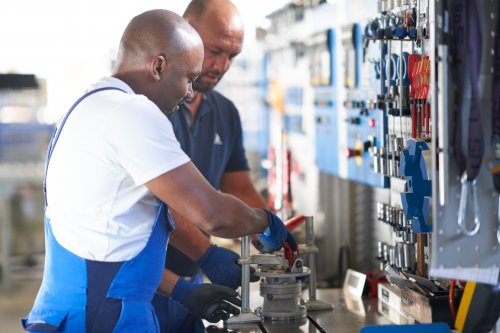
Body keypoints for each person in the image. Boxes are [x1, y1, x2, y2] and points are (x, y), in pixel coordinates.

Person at [21, 9, 294, 333]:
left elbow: (116, 240)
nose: (190, 92)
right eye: (188, 78)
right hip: (102, 318)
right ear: (159, 66)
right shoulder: (133, 112)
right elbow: (213, 213)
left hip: (80, 310)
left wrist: (182, 288)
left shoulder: (89, 104)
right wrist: (266, 223)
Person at [151, 1, 274, 332]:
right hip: (141, 282)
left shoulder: (225, 113)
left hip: (191, 285)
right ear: (183, 35)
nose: (221, 65)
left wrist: (271, 231)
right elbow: (161, 206)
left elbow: (238, 187)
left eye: (232, 56)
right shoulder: (150, 110)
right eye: (215, 50)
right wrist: (207, 252)